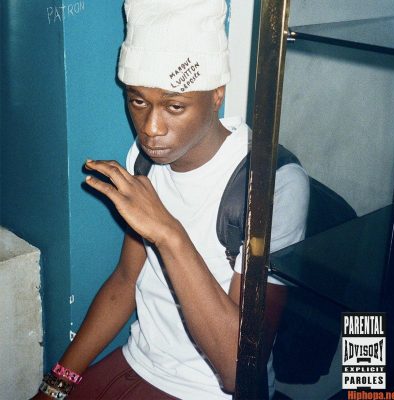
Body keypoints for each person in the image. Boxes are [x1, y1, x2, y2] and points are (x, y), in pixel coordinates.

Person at [32, 0, 309, 399]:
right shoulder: (144, 159)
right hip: (139, 360)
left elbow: (238, 372)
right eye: (137, 101)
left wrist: (169, 234)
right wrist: (56, 385)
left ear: (217, 94)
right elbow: (125, 281)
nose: (150, 128)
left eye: (174, 106)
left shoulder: (270, 183)